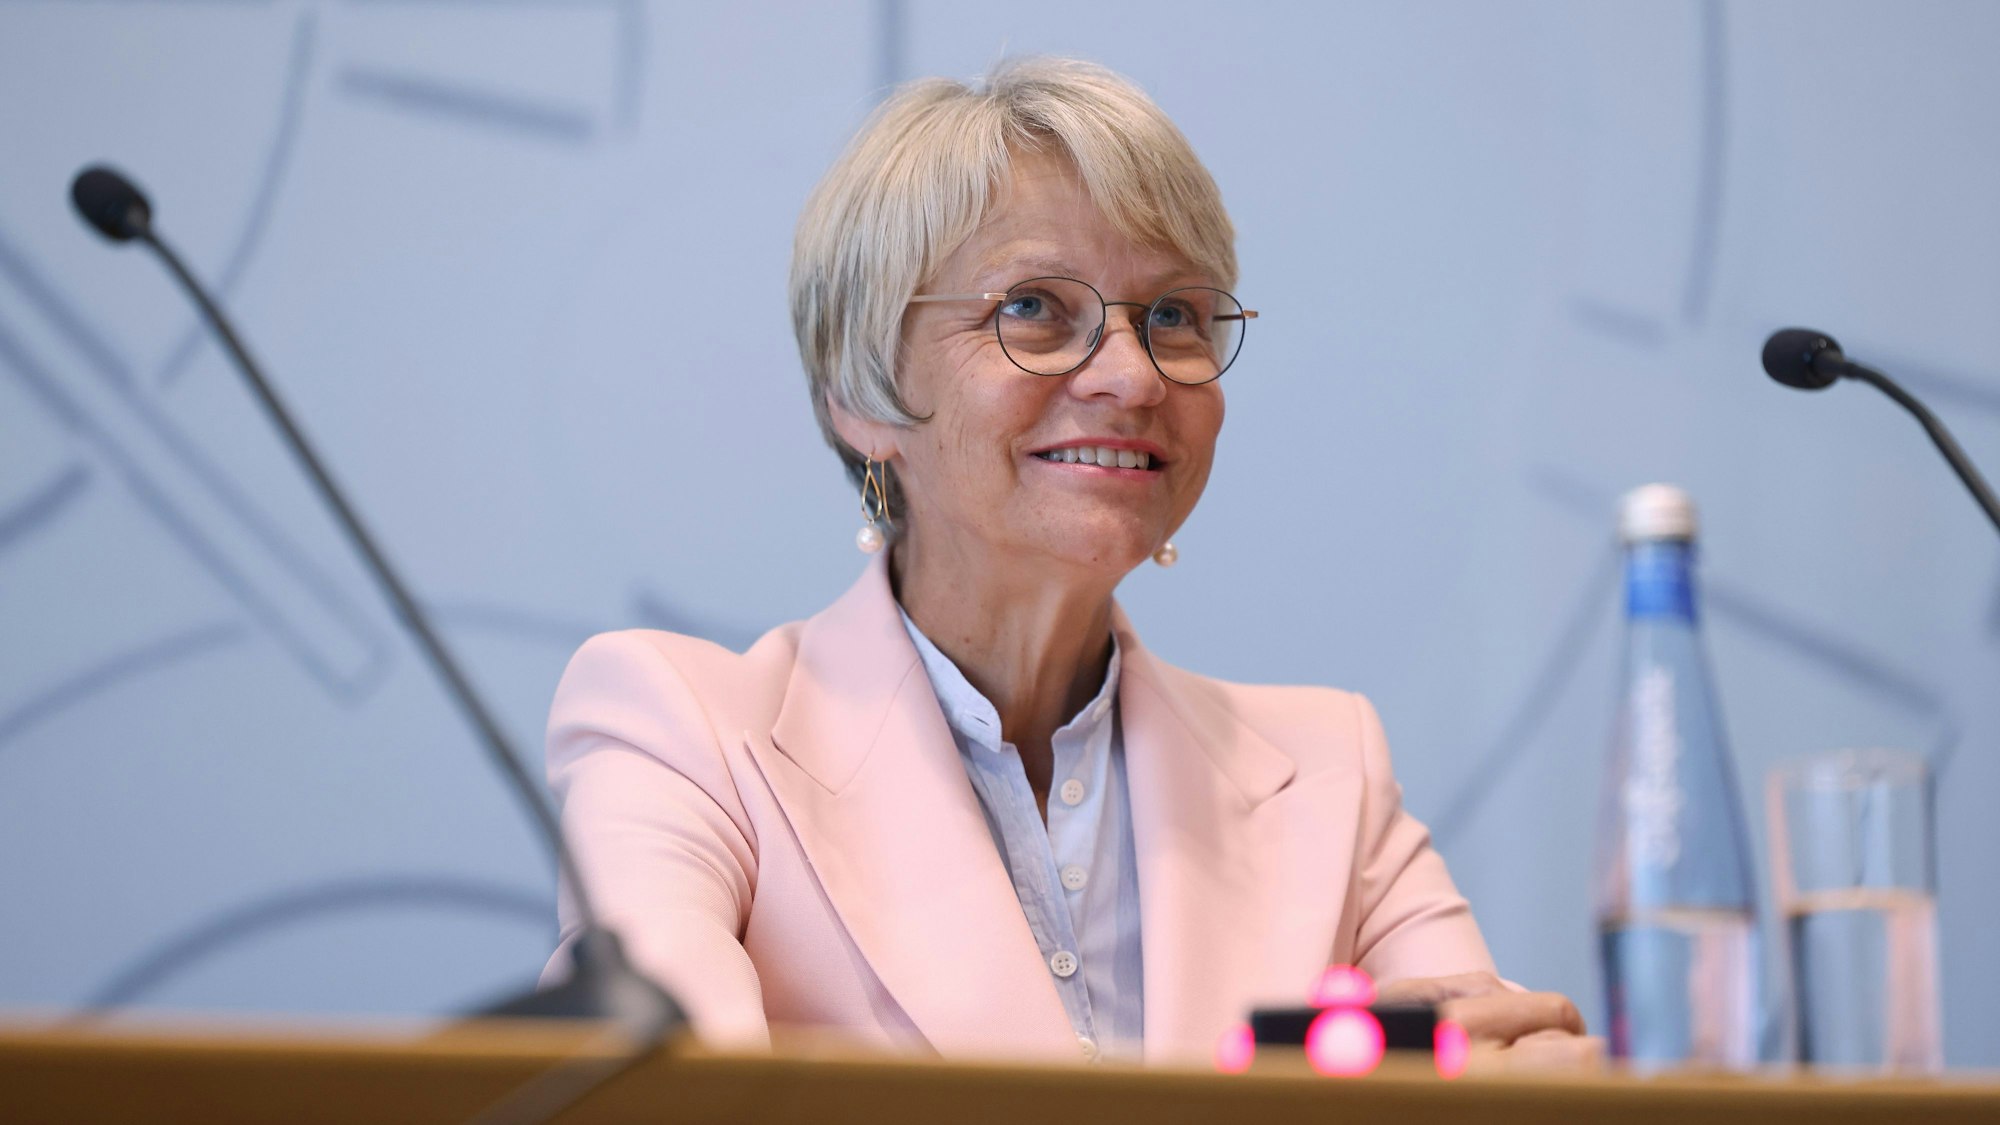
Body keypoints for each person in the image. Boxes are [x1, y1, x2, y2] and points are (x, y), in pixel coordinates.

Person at [543, 57, 1589, 1067]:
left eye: (1173, 316)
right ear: (863, 395)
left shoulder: (1328, 771)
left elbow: (1520, 1091)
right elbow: (670, 1103)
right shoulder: (682, 736)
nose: (1133, 377)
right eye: (1033, 309)